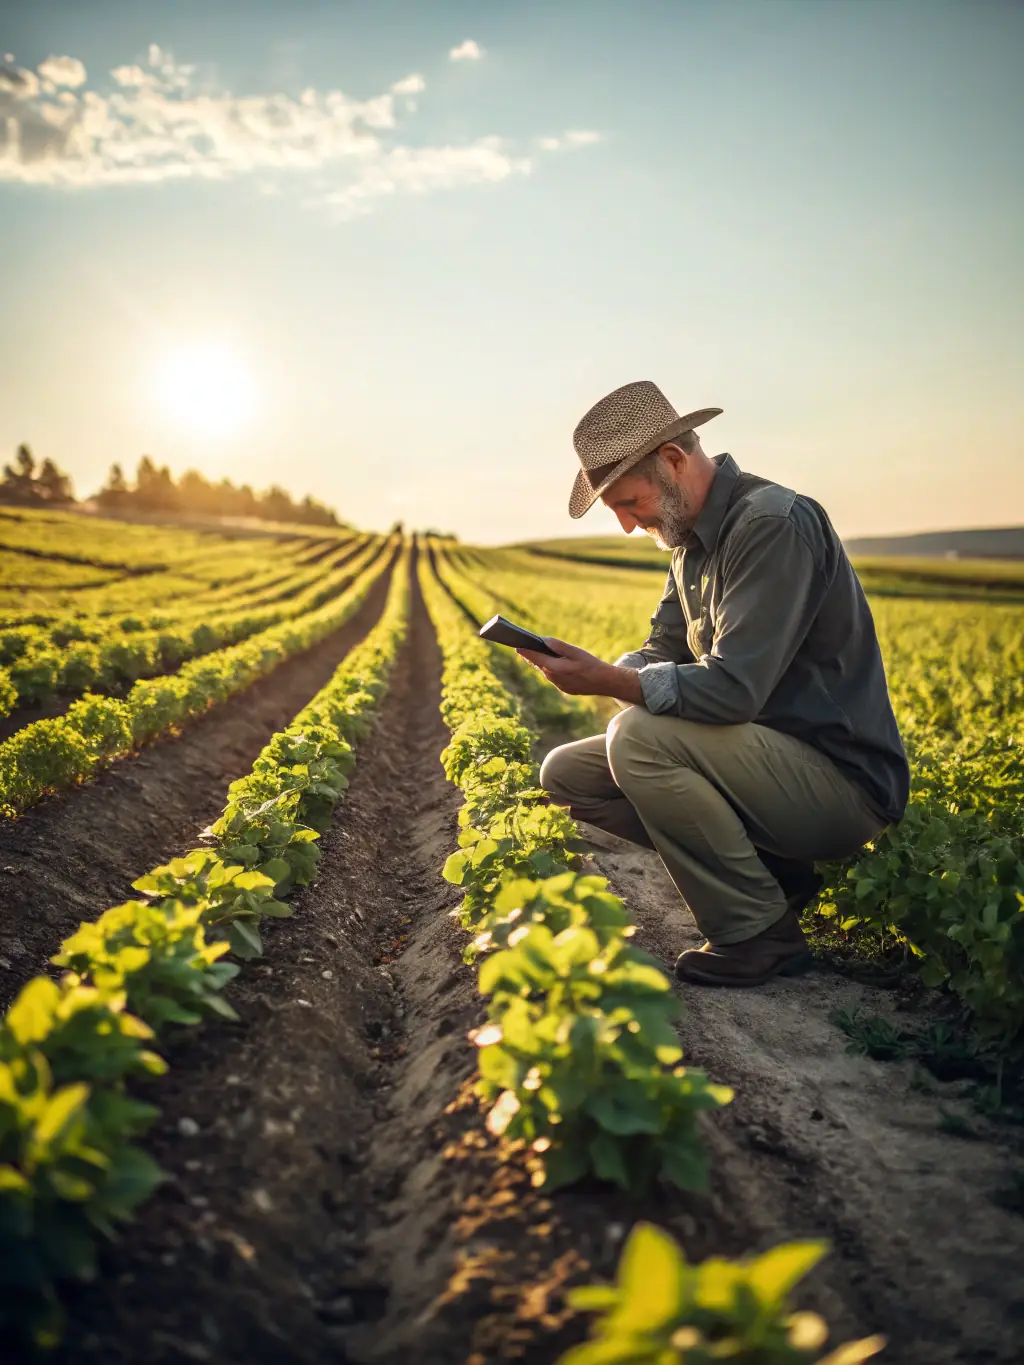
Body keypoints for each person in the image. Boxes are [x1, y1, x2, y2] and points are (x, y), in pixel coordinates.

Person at [518, 380, 909, 987]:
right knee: (567, 774)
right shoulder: (689, 541)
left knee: (638, 739)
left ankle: (758, 933)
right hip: (758, 764)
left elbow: (732, 692)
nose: (625, 525)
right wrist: (602, 667)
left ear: (673, 460)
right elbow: (661, 650)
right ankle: (776, 877)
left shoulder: (772, 525)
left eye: (629, 502)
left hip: (840, 784)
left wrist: (609, 684)